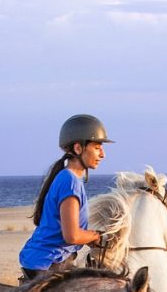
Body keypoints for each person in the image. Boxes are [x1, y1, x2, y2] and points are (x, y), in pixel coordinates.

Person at [17, 113, 110, 282]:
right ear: (77, 148)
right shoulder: (70, 181)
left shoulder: (67, 177)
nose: (102, 154)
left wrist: (90, 238)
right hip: (47, 265)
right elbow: (72, 236)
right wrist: (97, 236)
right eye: (97, 148)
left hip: (46, 261)